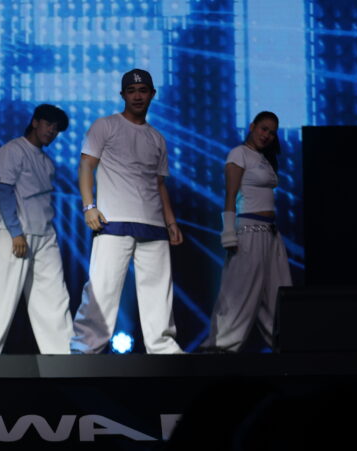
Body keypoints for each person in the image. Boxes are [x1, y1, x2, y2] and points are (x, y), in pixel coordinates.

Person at [71, 69, 185, 354]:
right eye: (132, 91)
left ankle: (163, 348)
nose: (137, 96)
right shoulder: (105, 126)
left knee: (158, 292)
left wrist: (171, 222)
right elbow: (86, 165)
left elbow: (159, 183)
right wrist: (89, 206)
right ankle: (84, 349)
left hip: (153, 223)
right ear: (122, 94)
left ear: (152, 94)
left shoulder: (157, 138)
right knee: (102, 289)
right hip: (112, 220)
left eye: (143, 90)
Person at [0, 104, 74, 354]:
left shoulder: (47, 162)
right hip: (15, 234)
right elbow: (4, 193)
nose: (51, 131)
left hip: (45, 234)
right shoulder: (11, 151)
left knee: (54, 296)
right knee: (1, 296)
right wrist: (16, 232)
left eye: (56, 128)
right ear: (35, 122)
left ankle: (63, 355)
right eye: (48, 124)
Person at [201, 111, 291, 352]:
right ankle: (220, 346)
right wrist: (229, 232)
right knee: (239, 290)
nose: (267, 135)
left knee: (277, 292)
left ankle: (284, 345)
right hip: (248, 232)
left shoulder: (264, 159)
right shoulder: (238, 153)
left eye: (272, 132)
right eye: (263, 129)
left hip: (271, 235)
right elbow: (230, 195)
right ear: (252, 127)